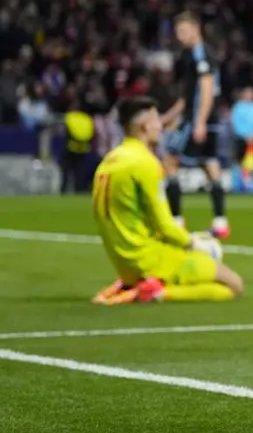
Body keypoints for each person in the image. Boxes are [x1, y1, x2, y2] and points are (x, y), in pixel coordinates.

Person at [90, 96, 244, 305]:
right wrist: (195, 243)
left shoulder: (109, 160)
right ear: (144, 127)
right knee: (233, 285)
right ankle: (154, 292)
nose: (161, 125)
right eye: (156, 120)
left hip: (122, 262)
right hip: (149, 258)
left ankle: (135, 285)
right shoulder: (146, 163)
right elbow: (163, 225)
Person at [160, 12, 229, 239]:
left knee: (170, 160)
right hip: (204, 118)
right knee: (209, 163)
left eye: (183, 31)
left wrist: (199, 121)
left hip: (198, 119)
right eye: (178, 32)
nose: (180, 36)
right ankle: (220, 221)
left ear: (196, 28)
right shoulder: (194, 54)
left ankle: (176, 221)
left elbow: (206, 89)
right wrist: (165, 118)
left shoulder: (200, 55)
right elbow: (188, 96)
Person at [230, 86, 253, 178]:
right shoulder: (238, 107)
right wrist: (245, 135)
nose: (249, 95)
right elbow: (236, 123)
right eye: (247, 93)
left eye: (251, 93)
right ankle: (239, 182)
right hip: (241, 139)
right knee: (240, 160)